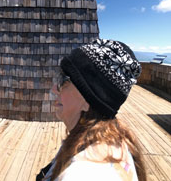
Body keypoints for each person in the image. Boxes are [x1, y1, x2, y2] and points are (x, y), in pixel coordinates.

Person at [36, 39, 147, 181]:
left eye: (63, 81)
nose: (54, 89)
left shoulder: (83, 173)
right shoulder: (109, 139)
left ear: (89, 99)